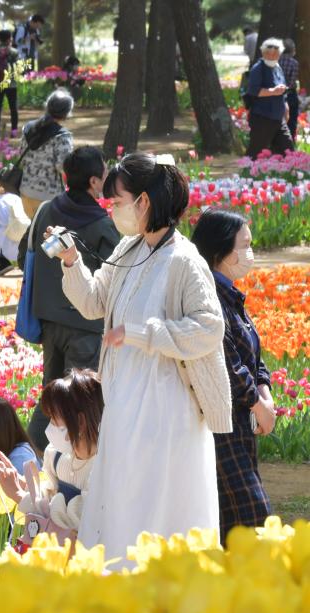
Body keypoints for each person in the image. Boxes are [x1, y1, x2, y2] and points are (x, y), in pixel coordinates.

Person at [57, 152, 230, 563]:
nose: (112, 208)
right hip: (124, 400)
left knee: (157, 500)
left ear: (144, 202)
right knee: (122, 495)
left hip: (166, 405)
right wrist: (70, 261)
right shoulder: (130, 248)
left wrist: (143, 334)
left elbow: (209, 327)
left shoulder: (184, 260)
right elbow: (93, 301)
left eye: (117, 201)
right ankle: (119, 583)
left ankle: (160, 586)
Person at [20, 146, 120, 450]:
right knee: (79, 395)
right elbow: (117, 274)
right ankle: (75, 457)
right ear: (93, 182)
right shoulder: (103, 224)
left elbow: (24, 252)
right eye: (104, 173)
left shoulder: (46, 210)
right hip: (85, 323)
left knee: (51, 391)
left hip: (49, 319)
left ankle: (31, 448)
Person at [190, 209, 275, 542]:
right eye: (244, 245)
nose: (249, 254)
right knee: (253, 517)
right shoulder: (209, 298)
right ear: (220, 252)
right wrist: (257, 403)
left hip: (243, 423)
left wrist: (265, 395)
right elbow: (226, 361)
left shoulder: (231, 294)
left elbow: (252, 354)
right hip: (222, 423)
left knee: (231, 523)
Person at [0, 369, 104, 543]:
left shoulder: (101, 467)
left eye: (54, 419)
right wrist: (22, 482)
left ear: (79, 422)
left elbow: (79, 517)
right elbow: (51, 491)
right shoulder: (57, 455)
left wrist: (20, 496)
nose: (49, 426)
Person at [18, 89, 74, 218]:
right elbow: (63, 166)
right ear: (67, 112)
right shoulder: (62, 136)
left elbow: (21, 154)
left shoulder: (28, 128)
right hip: (49, 197)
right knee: (46, 236)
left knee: (31, 233)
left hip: (25, 191)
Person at [245, 38, 295, 159]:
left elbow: (283, 90)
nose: (272, 56)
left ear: (280, 54)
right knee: (255, 152)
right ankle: (245, 175)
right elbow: (254, 91)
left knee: (288, 150)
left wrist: (286, 106)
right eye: (269, 53)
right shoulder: (258, 68)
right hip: (263, 117)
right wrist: (272, 91)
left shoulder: (278, 67)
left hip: (278, 118)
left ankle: (286, 176)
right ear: (263, 53)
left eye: (275, 53)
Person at [0, 178, 30, 275]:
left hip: (5, 235)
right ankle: (24, 266)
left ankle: (2, 264)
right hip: (22, 232)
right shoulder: (16, 197)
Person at [0, 30, 19, 135]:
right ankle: (14, 130)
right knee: (13, 107)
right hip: (11, 83)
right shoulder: (14, 52)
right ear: (9, 39)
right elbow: (17, 67)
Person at [280, 39, 300, 142]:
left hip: (277, 94)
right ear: (293, 50)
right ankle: (290, 143)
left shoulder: (276, 61)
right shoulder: (294, 63)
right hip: (290, 95)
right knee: (292, 121)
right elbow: (292, 83)